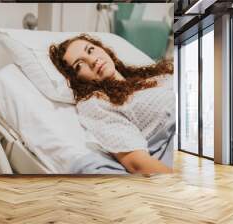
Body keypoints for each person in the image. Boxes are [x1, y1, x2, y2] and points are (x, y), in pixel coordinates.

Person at [49, 34, 175, 175]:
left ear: (103, 49)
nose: (92, 60)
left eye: (90, 50)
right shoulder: (95, 103)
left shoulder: (147, 77)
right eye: (79, 65)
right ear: (75, 79)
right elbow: (137, 164)